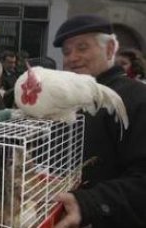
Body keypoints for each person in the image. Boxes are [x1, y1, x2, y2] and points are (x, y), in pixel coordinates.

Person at [52, 15, 146, 228]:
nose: (72, 58)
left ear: (111, 49)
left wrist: (90, 204)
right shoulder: (68, 101)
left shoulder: (137, 98)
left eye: (82, 48)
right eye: (66, 52)